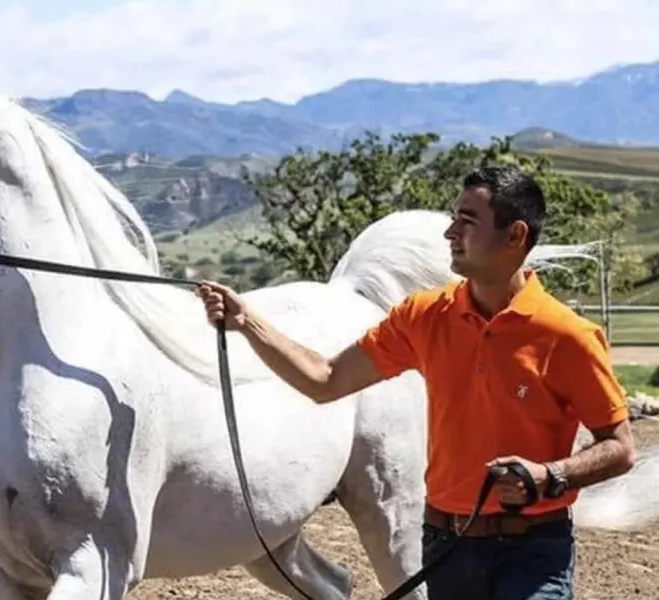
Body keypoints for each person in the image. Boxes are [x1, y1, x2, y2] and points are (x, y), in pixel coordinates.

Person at [195, 165, 636, 600]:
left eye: (468, 221)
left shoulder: (568, 337)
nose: (450, 233)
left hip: (532, 552)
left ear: (515, 236)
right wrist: (247, 322)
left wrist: (550, 475)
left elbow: (619, 447)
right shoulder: (423, 317)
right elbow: (324, 380)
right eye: (453, 219)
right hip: (446, 547)